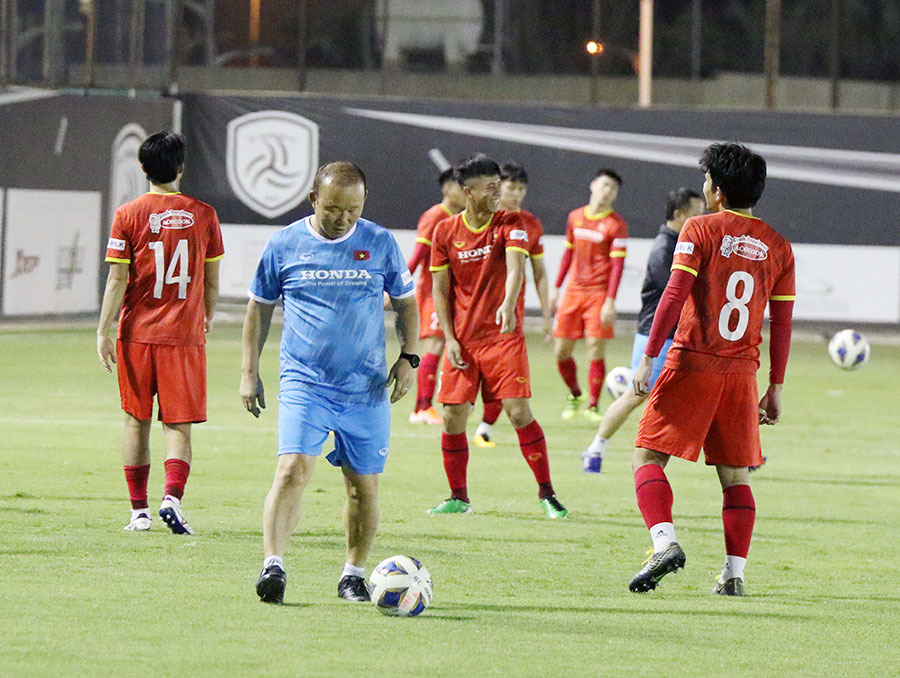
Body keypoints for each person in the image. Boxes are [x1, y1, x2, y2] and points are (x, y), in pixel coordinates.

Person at [241, 161, 418, 605]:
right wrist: (249, 372)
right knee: (292, 468)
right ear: (313, 200)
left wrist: (409, 358)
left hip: (366, 388)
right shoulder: (284, 244)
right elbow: (259, 309)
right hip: (305, 382)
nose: (342, 219)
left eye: (353, 210)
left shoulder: (379, 242)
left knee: (362, 486)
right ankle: (273, 566)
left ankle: (353, 575)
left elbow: (406, 303)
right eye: (334, 209)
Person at [627, 143, 795, 596]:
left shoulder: (699, 229)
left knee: (647, 456)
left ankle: (664, 543)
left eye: (706, 182)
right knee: (735, 477)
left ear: (717, 192)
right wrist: (775, 386)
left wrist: (648, 358)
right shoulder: (779, 246)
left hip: (692, 364)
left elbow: (674, 294)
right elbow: (781, 323)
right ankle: (734, 574)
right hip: (742, 375)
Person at [426, 154, 567, 519]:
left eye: (499, 186)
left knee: (518, 412)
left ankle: (548, 494)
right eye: (490, 188)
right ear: (468, 191)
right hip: (463, 340)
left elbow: (518, 266)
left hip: (504, 337)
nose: (498, 193)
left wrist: (508, 303)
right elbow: (439, 290)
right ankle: (458, 497)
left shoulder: (513, 223)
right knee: (453, 416)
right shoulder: (444, 232)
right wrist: (451, 338)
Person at [96, 131, 223, 534]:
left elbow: (117, 280)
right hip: (183, 337)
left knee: (136, 421)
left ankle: (139, 513)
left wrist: (104, 329)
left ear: (143, 168)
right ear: (182, 167)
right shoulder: (204, 214)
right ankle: (172, 497)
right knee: (178, 425)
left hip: (137, 333)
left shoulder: (128, 214)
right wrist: (206, 316)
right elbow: (211, 280)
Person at [581, 188, 705, 472]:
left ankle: (742, 457)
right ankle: (595, 448)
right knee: (637, 394)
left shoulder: (684, 243)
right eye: (696, 213)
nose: (702, 218)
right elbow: (673, 295)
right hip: (657, 334)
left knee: (703, 391)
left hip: (681, 334)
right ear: (679, 215)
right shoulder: (665, 248)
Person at [472, 161, 552, 448]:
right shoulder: (483, 218)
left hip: (509, 316)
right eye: (511, 188)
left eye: (521, 189)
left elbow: (539, 273)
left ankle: (483, 428)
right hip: (474, 315)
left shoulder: (531, 224)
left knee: (504, 381)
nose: (516, 194)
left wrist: (546, 316)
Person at [552, 169, 628, 421]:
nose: (608, 191)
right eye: (605, 185)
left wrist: (610, 300)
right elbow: (567, 255)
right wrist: (556, 287)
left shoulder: (615, 225)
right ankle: (575, 394)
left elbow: (617, 266)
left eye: (613, 189)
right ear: (593, 184)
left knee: (595, 347)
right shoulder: (575, 217)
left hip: (598, 294)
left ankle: (593, 405)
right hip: (573, 292)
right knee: (561, 350)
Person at [407, 168, 466, 426]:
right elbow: (419, 253)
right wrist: (400, 284)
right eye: (459, 187)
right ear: (447, 189)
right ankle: (422, 408)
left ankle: (436, 403)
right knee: (434, 346)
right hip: (433, 291)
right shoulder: (435, 215)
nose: (465, 192)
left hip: (451, 292)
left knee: (443, 346)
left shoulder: (459, 218)